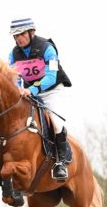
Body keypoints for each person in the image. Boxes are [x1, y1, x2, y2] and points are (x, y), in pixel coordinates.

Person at [8, 17, 72, 181]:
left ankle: (60, 162)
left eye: (21, 34)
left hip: (51, 91)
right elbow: (14, 77)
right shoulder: (13, 54)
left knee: (56, 122)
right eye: (15, 36)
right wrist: (18, 88)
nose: (18, 39)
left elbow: (52, 75)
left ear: (31, 32)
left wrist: (33, 89)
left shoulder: (48, 48)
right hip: (28, 92)